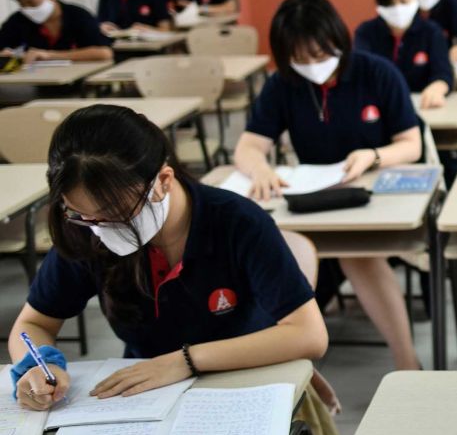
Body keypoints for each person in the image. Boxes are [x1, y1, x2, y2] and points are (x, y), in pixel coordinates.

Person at [9, 104, 327, 415]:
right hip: (148, 394)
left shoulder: (236, 223)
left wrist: (184, 361)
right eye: (83, 215)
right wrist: (39, 366)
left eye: (115, 215)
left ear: (163, 181)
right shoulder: (86, 231)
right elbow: (34, 322)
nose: (100, 230)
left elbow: (308, 334)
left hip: (242, 379)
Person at [233, 0, 423, 370]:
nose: (312, 67)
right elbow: (248, 146)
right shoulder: (283, 84)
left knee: (359, 257)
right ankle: (282, 362)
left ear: (338, 40)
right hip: (309, 199)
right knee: (269, 252)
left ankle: (407, 363)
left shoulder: (376, 72)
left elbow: (411, 144)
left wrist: (374, 155)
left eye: (320, 56)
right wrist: (260, 169)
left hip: (370, 191)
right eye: (300, 60)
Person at [354, 0, 453, 109]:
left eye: (403, 0)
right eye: (389, 4)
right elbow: (360, 75)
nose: (397, 9)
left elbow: (443, 73)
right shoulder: (365, 33)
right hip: (382, 109)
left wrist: (438, 87)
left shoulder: (431, 32)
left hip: (423, 107)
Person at [1, 0, 112, 63]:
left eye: (31, 3)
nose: (27, 9)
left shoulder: (78, 15)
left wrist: (50, 55)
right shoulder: (18, 21)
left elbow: (104, 53)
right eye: (22, 4)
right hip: (37, 82)